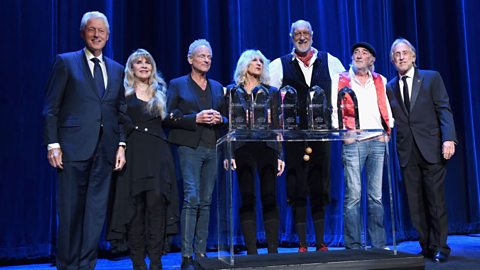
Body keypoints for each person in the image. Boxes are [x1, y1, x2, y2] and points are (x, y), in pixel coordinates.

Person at [43, 11, 126, 269]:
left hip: (105, 150)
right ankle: (67, 265)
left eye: (102, 31)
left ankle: (87, 264)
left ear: (108, 36)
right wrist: (53, 144)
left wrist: (121, 145)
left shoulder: (117, 69)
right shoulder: (66, 62)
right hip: (73, 148)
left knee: (95, 213)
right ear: (83, 33)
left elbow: (120, 111)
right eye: (92, 30)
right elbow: (51, 108)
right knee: (70, 212)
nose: (97, 34)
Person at [269, 19, 345, 252]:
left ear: (313, 35)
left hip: (321, 138)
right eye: (297, 34)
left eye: (305, 33)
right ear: (291, 37)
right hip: (293, 139)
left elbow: (343, 94)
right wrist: (277, 133)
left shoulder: (330, 61)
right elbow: (271, 100)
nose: (302, 37)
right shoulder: (279, 65)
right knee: (297, 188)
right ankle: (302, 243)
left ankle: (321, 241)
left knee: (320, 187)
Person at [107, 49, 179, 270]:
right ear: (131, 68)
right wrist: (120, 146)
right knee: (135, 208)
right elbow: (116, 123)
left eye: (148, 61)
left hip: (159, 155)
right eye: (139, 62)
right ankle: (138, 262)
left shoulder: (162, 93)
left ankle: (156, 261)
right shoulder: (123, 94)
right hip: (134, 153)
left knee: (157, 206)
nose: (144, 65)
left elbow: (174, 120)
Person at [386, 38, 456, 263]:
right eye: (397, 54)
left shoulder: (431, 77)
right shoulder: (389, 87)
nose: (401, 57)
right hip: (407, 152)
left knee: (435, 200)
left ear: (413, 56)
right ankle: (425, 245)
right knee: (415, 203)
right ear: (393, 60)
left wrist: (449, 139)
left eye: (405, 53)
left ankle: (440, 246)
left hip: (432, 148)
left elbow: (444, 109)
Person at [166, 39, 227, 268]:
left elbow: (228, 118)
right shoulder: (178, 84)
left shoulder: (217, 87)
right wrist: (195, 118)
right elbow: (167, 116)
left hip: (212, 147)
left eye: (209, 56)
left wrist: (221, 119)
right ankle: (186, 254)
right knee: (191, 198)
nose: (207, 60)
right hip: (189, 148)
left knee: (206, 201)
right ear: (190, 59)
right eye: (202, 56)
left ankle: (201, 253)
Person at [331, 42, 393, 250]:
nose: (358, 55)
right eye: (356, 52)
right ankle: (353, 245)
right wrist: (343, 134)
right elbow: (334, 109)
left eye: (364, 53)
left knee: (376, 196)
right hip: (353, 142)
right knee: (354, 196)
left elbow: (386, 108)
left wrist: (387, 131)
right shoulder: (340, 79)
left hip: (377, 141)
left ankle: (378, 244)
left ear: (372, 60)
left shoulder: (380, 80)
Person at [225, 50, 285, 255]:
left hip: (267, 147)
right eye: (254, 60)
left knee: (270, 196)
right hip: (243, 148)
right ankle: (251, 252)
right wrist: (229, 153)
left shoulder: (272, 92)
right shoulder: (232, 92)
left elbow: (278, 124)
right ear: (244, 65)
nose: (258, 63)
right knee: (247, 197)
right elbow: (228, 126)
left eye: (261, 60)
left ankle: (273, 250)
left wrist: (280, 154)